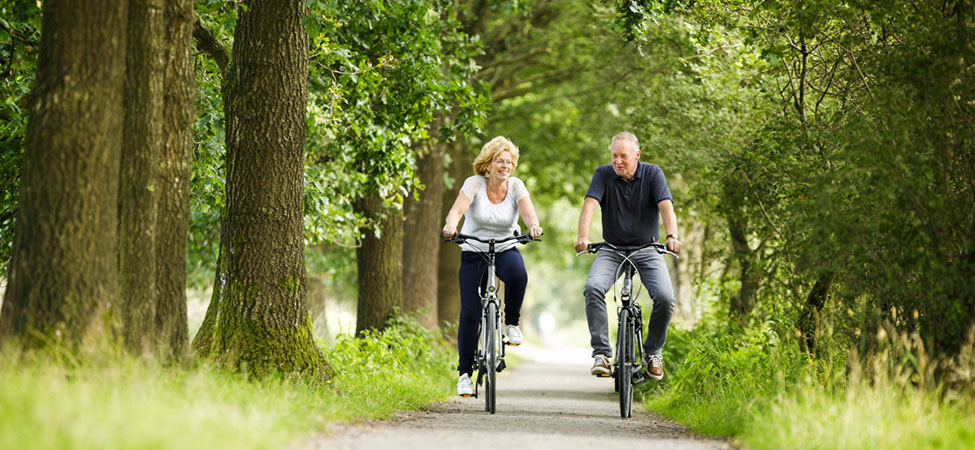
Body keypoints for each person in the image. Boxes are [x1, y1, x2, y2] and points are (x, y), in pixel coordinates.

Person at [574, 132, 682, 380]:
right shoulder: (603, 174)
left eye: (623, 156)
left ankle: (653, 352)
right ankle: (602, 354)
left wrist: (672, 236)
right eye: (614, 156)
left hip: (647, 249)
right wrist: (583, 237)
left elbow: (665, 205)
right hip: (612, 249)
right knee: (593, 288)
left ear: (637, 155)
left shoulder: (653, 174)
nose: (618, 161)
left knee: (665, 298)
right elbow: (590, 204)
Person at [442, 136, 543, 396]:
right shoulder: (474, 184)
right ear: (488, 164)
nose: (505, 166)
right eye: (499, 161)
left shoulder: (516, 186)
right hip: (474, 249)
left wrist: (533, 226)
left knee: (518, 275)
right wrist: (451, 226)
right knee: (470, 313)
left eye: (508, 162)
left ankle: (512, 324)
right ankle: (464, 374)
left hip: (505, 247)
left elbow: (528, 213)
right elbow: (457, 210)